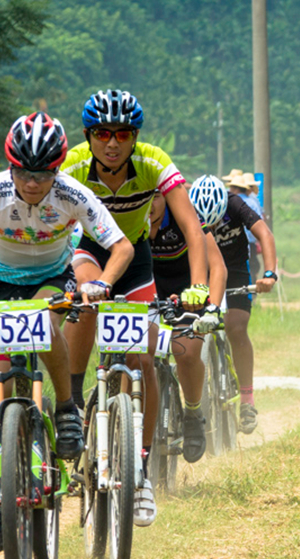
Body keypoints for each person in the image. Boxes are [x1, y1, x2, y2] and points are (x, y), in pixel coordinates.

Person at [0, 112, 133, 554]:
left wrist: (101, 283)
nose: (33, 183)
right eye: (24, 172)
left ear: (57, 170)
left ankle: (67, 407)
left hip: (53, 277)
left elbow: (122, 246)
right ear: (11, 166)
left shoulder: (74, 194)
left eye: (43, 174)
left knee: (47, 319)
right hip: (2, 285)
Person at [61, 89, 211, 526]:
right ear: (89, 135)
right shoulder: (71, 165)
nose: (113, 142)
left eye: (123, 133)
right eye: (103, 133)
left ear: (135, 136)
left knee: (144, 358)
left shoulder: (152, 161)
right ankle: (70, 400)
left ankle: (140, 470)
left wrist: (198, 285)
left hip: (135, 260)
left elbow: (191, 226)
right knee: (89, 298)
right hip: (87, 251)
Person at [148, 178, 227, 462]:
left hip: (188, 291)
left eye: (155, 198)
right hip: (148, 292)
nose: (149, 207)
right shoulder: (130, 219)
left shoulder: (184, 214)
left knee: (187, 352)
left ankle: (193, 413)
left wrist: (213, 308)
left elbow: (217, 268)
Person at [210, 173, 277, 434]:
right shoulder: (189, 209)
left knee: (236, 327)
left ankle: (247, 400)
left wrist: (269, 274)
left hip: (236, 270)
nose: (213, 230)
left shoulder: (236, 203)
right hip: (204, 271)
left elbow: (265, 235)